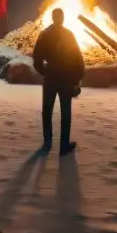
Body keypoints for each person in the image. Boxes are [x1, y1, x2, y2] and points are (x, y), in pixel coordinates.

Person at [32, 8, 85, 156]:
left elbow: (36, 59)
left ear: (52, 18)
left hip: (51, 78)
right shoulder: (69, 34)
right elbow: (78, 59)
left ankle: (47, 142)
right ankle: (64, 145)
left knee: (47, 110)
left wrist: (45, 72)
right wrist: (77, 79)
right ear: (62, 19)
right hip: (66, 78)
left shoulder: (44, 34)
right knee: (66, 111)